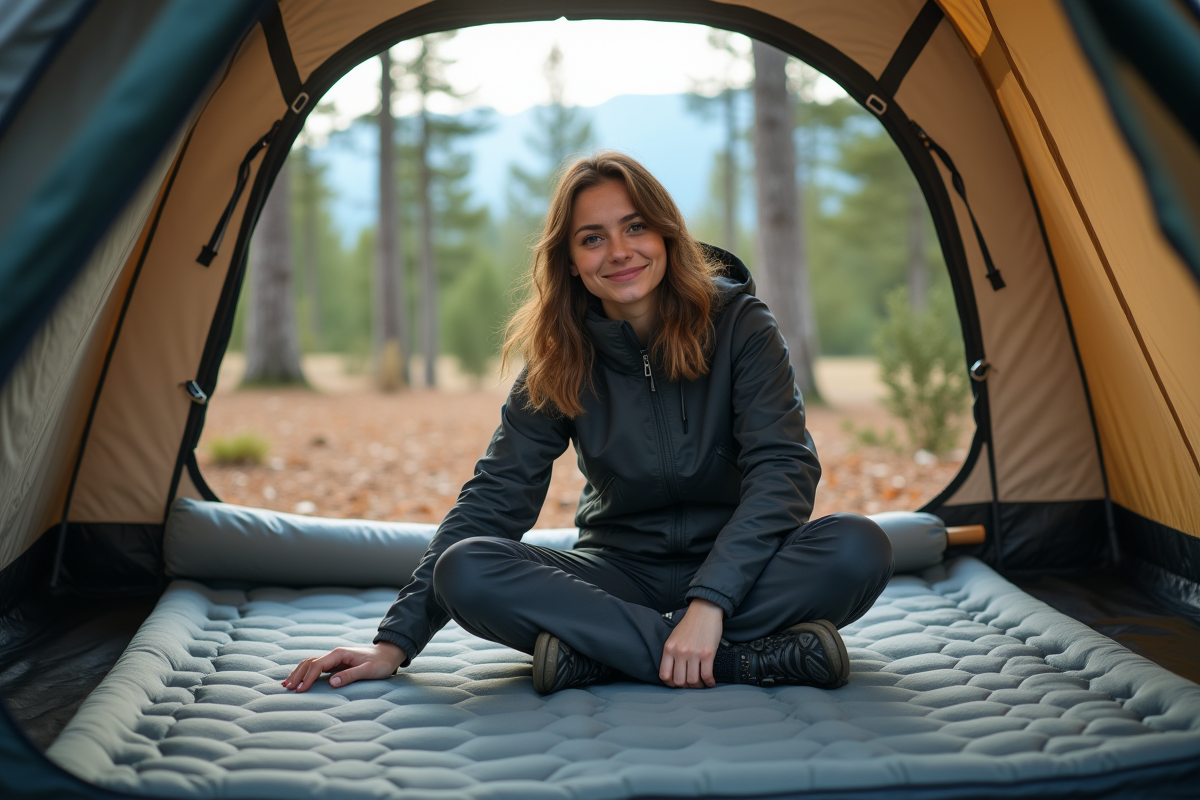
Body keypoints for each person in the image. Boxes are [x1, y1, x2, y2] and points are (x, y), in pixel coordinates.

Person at [284, 151, 893, 695]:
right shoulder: (560, 353)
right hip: (616, 576)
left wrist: (710, 600)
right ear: (571, 261)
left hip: (745, 572)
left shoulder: (740, 325)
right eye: (592, 238)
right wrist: (395, 643)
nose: (620, 251)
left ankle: (601, 655)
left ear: (667, 233)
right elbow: (495, 497)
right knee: (465, 567)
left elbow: (783, 468)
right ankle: (740, 661)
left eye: (635, 227)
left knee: (856, 547)